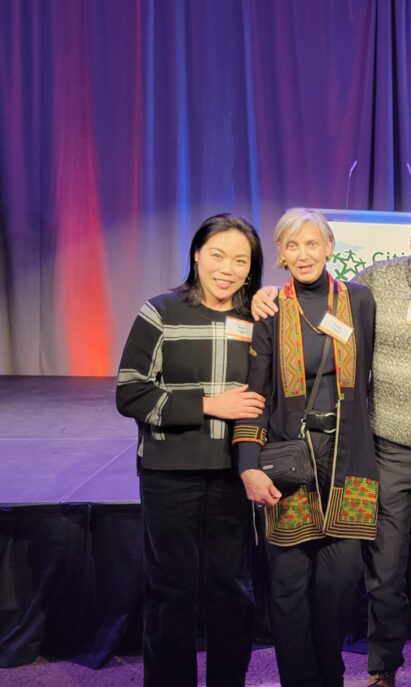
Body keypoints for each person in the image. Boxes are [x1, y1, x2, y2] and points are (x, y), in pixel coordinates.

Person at [250, 196, 411, 687]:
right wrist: (263, 294)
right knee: (384, 570)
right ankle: (383, 666)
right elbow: (313, 302)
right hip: (385, 446)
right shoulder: (376, 283)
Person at [116, 213, 264, 687]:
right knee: (170, 591)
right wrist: (208, 404)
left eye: (241, 260)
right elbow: (131, 394)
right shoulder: (159, 312)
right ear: (196, 254)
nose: (228, 268)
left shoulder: (257, 318)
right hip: (169, 472)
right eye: (217, 255)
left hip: (233, 473)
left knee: (231, 591)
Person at [233, 208, 377, 687]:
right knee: (289, 589)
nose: (303, 254)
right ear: (280, 254)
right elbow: (254, 395)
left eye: (312, 244)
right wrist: (248, 465)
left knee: (339, 584)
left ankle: (329, 674)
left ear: (330, 247)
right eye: (292, 246)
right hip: (288, 465)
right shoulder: (271, 309)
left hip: (349, 462)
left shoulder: (360, 301)